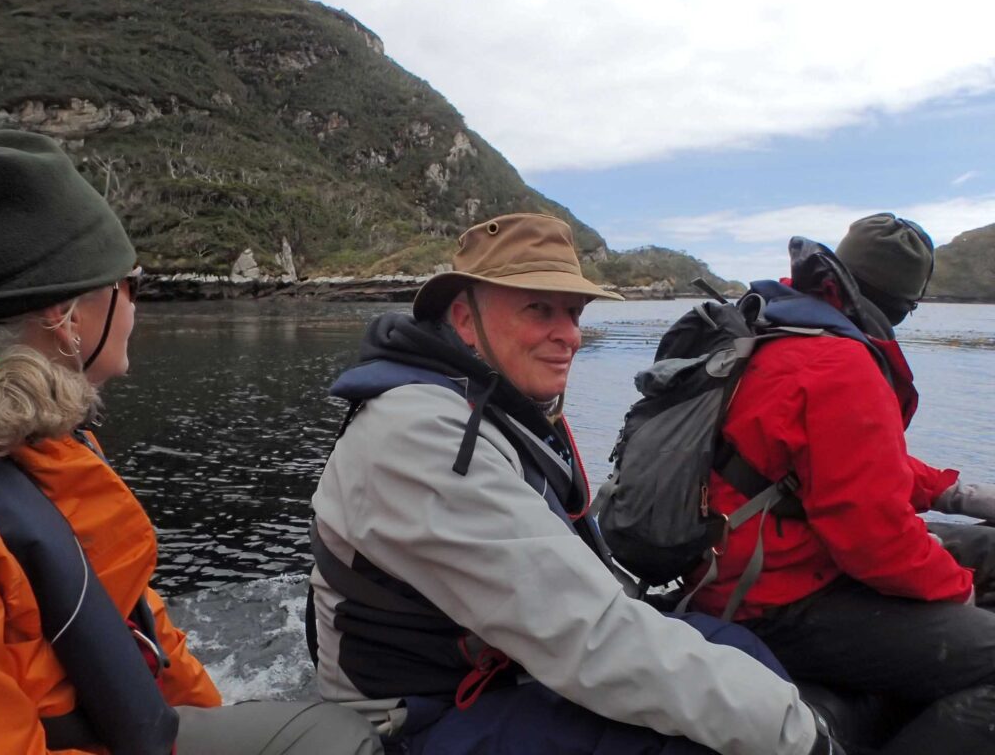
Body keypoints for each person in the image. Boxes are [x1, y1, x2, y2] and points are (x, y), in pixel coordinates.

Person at [307, 212, 843, 755]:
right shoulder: (420, 436)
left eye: (573, 311)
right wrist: (796, 736)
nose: (570, 336)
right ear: (466, 321)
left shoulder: (494, 402)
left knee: (734, 645)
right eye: (539, 309)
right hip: (420, 721)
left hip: (501, 674)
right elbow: (588, 638)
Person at [0, 130, 381, 755]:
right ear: (66, 315)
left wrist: (207, 716)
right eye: (129, 282)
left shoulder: (53, 452)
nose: (137, 301)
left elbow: (139, 626)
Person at [679, 213, 995, 754]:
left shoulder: (777, 330)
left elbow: (840, 461)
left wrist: (953, 493)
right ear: (905, 302)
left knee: (985, 546)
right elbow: (876, 543)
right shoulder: (840, 363)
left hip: (734, 562)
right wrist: (960, 589)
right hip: (775, 596)